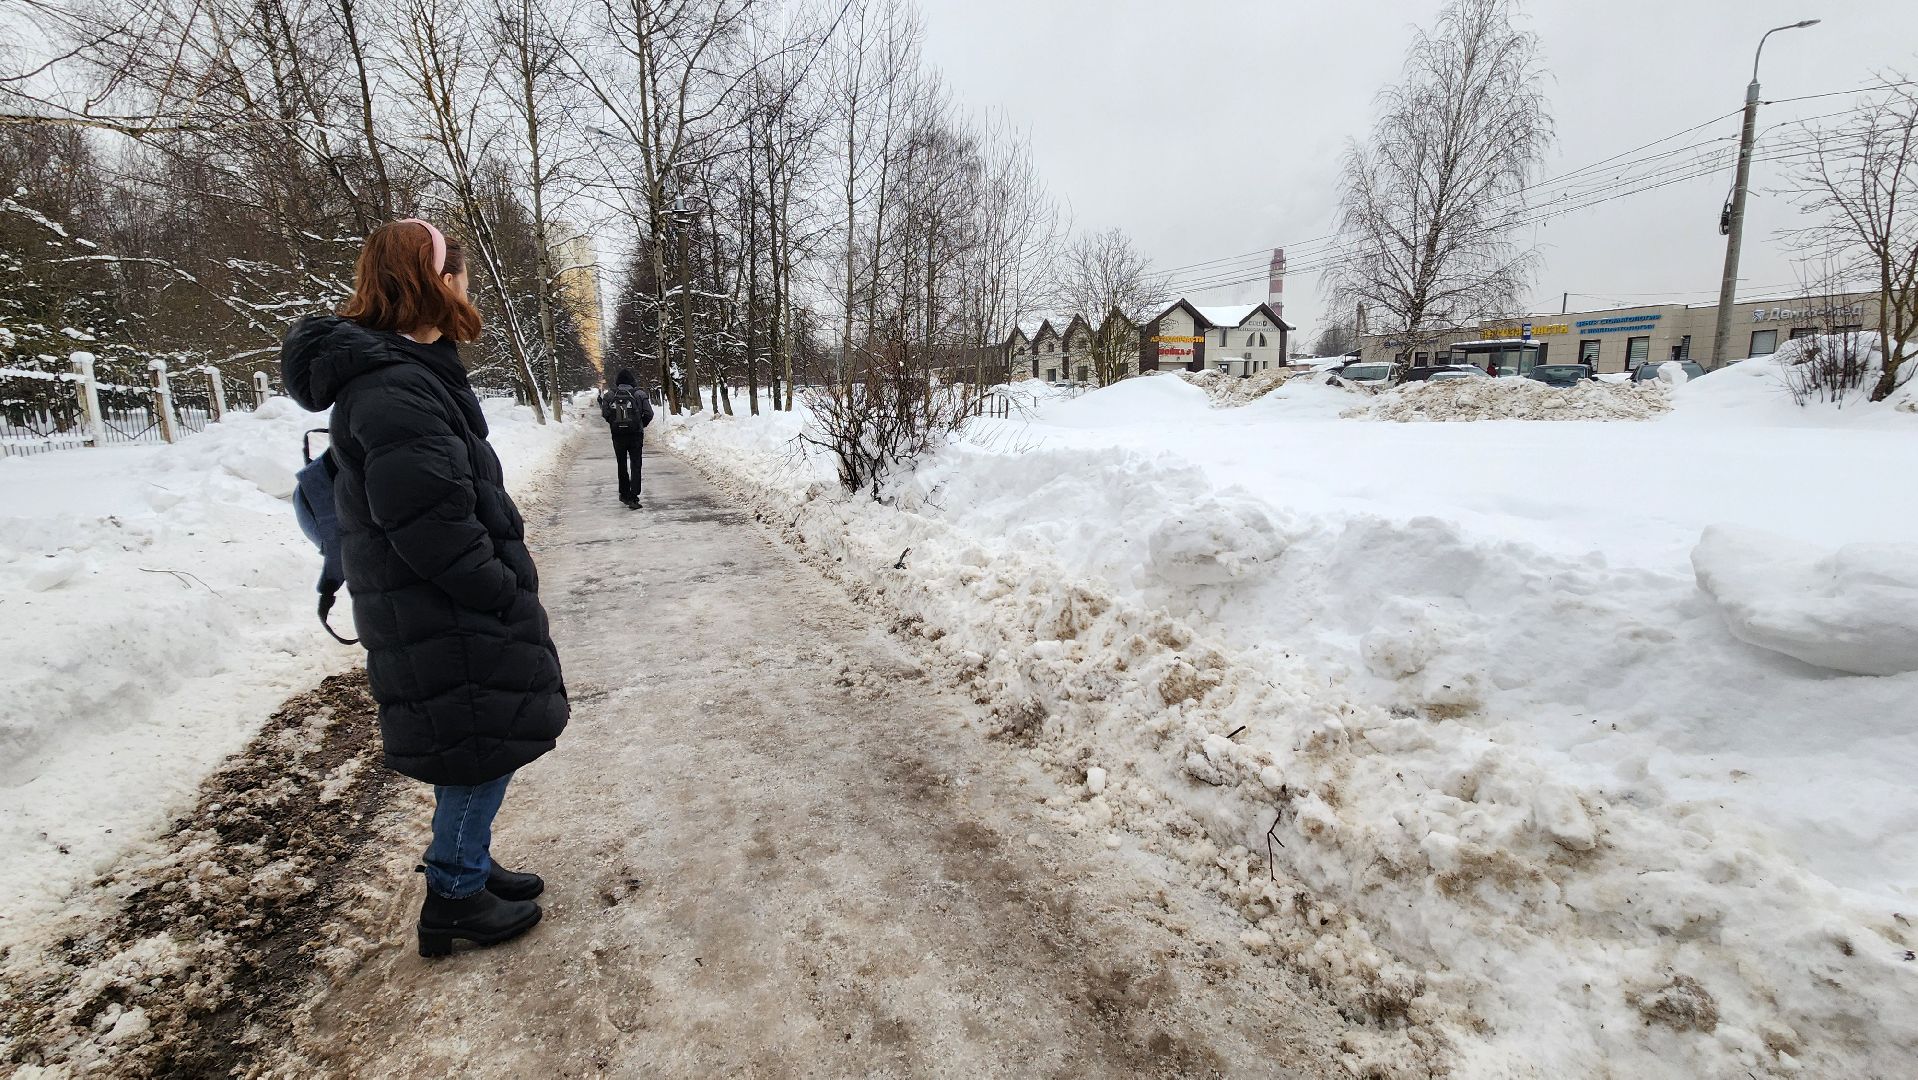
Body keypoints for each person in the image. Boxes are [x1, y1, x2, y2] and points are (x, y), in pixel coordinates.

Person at [280, 219, 569, 958]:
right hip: (445, 608)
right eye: (459, 274)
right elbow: (430, 525)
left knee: (479, 743)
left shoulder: (403, 373)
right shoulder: (394, 390)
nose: (466, 287)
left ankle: (468, 863)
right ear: (430, 282)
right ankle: (454, 897)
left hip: (437, 608)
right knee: (481, 751)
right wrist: (501, 590)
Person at [597, 368, 654, 508]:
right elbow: (649, 413)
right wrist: (640, 425)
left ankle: (624, 493)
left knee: (621, 464)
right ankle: (634, 496)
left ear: (618, 382)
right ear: (632, 381)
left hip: (618, 436)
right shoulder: (639, 394)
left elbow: (605, 414)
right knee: (636, 464)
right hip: (635, 435)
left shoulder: (610, 395)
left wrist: (615, 424)